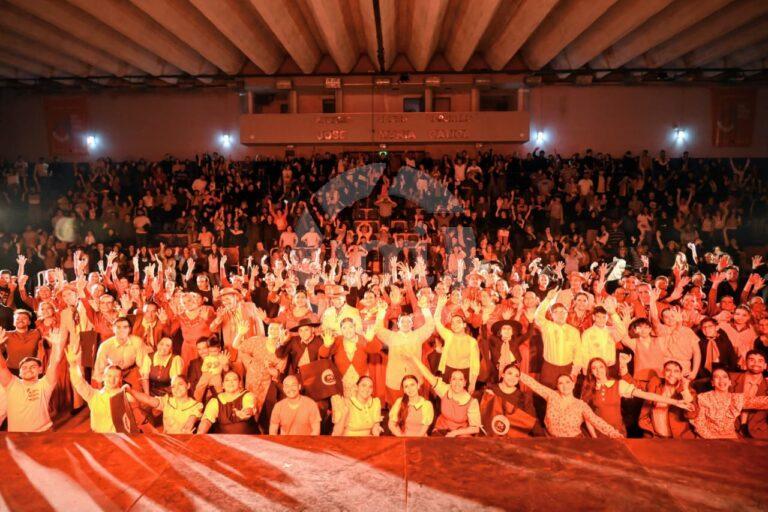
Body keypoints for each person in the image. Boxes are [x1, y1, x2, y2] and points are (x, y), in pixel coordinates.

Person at [580, 357, 693, 437]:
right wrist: (594, 437)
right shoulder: (588, 389)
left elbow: (647, 395)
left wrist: (675, 402)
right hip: (596, 433)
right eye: (594, 368)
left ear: (606, 368)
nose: (598, 370)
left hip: (617, 432)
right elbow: (587, 416)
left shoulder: (619, 385)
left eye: (601, 367)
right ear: (591, 372)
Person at [517, 370, 623, 438]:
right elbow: (534, 384)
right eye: (560, 383)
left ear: (573, 385)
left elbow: (596, 420)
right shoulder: (552, 395)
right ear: (557, 386)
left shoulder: (581, 405)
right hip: (549, 439)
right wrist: (517, 372)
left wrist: (614, 433)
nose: (565, 385)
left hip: (573, 443)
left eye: (567, 382)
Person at [67, 344, 139, 433]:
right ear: (103, 377)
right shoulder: (94, 395)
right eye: (109, 376)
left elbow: (135, 416)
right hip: (97, 438)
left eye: (116, 377)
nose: (112, 380)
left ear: (120, 379)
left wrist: (129, 394)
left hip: (117, 438)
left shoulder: (125, 396)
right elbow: (79, 383)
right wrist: (73, 365)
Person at [0, 329, 64, 432]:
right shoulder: (12, 384)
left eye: (33, 367)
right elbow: (2, 368)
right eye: (24, 368)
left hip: (43, 433)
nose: (28, 369)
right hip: (16, 436)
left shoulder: (45, 384)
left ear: (40, 370)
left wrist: (57, 346)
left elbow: (54, 363)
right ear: (19, 373)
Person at [409, 354, 480, 437]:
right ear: (450, 381)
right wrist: (413, 358)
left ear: (464, 383)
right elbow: (428, 376)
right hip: (441, 430)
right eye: (454, 379)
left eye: (460, 379)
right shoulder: (444, 390)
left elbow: (475, 428)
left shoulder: (472, 402)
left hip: (460, 433)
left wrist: (455, 433)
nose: (457, 383)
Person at [689, 367, 768, 439]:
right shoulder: (703, 398)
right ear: (712, 382)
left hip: (730, 438)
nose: (721, 380)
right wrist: (715, 439)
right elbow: (699, 424)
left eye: (724, 377)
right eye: (717, 377)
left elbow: (762, 402)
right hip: (707, 439)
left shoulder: (736, 398)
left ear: (730, 382)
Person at [433, 293, 480, 393]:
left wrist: (473, 383)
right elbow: (436, 321)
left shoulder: (472, 341)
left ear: (464, 325)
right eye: (453, 322)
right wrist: (439, 306)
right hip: (448, 372)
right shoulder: (448, 335)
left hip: (465, 373)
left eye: (458, 322)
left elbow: (475, 365)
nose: (455, 325)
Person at [638, 360, 698, 438]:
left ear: (680, 374)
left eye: (676, 371)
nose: (672, 374)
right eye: (668, 370)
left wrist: (685, 389)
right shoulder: (655, 384)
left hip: (678, 438)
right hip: (654, 436)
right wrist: (624, 372)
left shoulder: (688, 391)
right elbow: (636, 386)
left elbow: (692, 415)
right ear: (663, 373)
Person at [534, 289, 581, 388]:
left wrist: (574, 372)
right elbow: (538, 316)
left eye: (563, 312)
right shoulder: (547, 326)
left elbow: (578, 353)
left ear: (567, 314)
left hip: (567, 368)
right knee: (547, 394)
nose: (560, 314)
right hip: (549, 368)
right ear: (551, 315)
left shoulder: (574, 331)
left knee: (565, 395)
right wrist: (548, 299)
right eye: (556, 312)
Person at [127, 375, 203, 434]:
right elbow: (148, 399)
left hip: (183, 441)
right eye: (173, 386)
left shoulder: (197, 405)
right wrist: (129, 390)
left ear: (188, 385)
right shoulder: (167, 401)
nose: (177, 388)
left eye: (180, 384)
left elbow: (191, 422)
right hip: (166, 440)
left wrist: (186, 432)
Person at [479, 363, 538, 437]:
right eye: (510, 373)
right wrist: (488, 398)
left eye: (516, 376)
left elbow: (532, 421)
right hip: (490, 435)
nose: (513, 377)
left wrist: (541, 439)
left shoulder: (523, 398)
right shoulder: (490, 390)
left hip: (512, 438)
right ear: (503, 375)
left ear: (518, 380)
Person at [729, 350, 768, 438]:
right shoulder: (730, 379)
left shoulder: (767, 384)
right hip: (731, 430)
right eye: (751, 360)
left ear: (765, 365)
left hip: (761, 432)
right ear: (745, 362)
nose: (756, 363)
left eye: (760, 361)